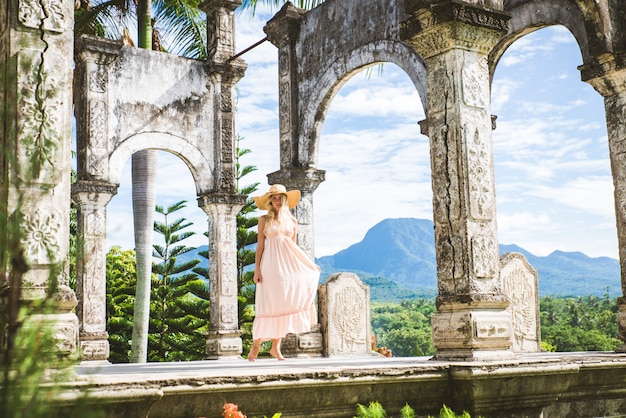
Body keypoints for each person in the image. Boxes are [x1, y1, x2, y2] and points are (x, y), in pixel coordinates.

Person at [247, 184, 320, 361]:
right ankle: (256, 345)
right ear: (270, 201)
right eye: (274, 198)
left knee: (283, 303)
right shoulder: (264, 220)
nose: (277, 201)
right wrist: (257, 269)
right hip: (269, 267)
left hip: (286, 269)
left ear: (285, 200)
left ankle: (275, 347)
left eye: (280, 197)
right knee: (267, 304)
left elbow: (293, 248)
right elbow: (260, 246)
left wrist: (309, 265)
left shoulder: (292, 222)